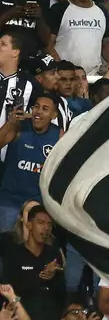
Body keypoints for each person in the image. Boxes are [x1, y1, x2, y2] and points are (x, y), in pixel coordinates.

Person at [0, 94, 61, 230]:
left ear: (54, 115)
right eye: (36, 107)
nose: (38, 111)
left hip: (39, 204)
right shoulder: (19, 128)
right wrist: (10, 123)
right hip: (10, 201)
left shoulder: (59, 136)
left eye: (45, 109)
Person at [46, 0, 109, 75]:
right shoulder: (59, 9)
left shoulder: (101, 11)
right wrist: (62, 69)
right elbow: (48, 45)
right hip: (65, 78)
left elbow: (106, 44)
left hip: (93, 78)